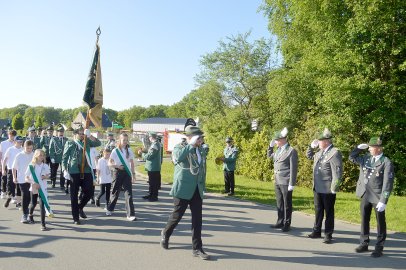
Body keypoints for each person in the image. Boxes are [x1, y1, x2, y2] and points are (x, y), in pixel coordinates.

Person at [161, 126, 210, 260]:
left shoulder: (200, 149)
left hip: (196, 189)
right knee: (177, 216)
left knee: (197, 220)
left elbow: (202, 169)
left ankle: (197, 248)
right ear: (191, 137)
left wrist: (202, 186)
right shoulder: (179, 147)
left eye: (201, 137)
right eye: (199, 137)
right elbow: (178, 158)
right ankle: (166, 233)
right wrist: (190, 145)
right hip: (182, 188)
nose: (201, 140)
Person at [349, 136, 395, 258]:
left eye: (371, 147)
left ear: (379, 148)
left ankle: (379, 247)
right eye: (369, 147)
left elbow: (388, 183)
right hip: (365, 193)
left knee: (380, 222)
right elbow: (352, 158)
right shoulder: (366, 158)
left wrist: (384, 200)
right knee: (364, 219)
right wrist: (358, 148)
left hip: (377, 196)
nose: (369, 149)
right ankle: (364, 243)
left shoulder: (386, 162)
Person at [306, 128, 343, 244]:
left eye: (320, 141)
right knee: (318, 210)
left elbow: (337, 172)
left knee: (329, 212)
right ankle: (316, 231)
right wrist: (311, 147)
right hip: (317, 187)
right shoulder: (319, 153)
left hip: (328, 188)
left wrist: (334, 188)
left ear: (326, 141)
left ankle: (328, 234)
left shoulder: (334, 152)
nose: (318, 142)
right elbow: (309, 156)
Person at [61, 127, 101, 225]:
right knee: (74, 195)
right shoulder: (70, 143)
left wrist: (90, 135)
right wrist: (64, 170)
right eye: (80, 133)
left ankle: (79, 207)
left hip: (86, 170)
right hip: (74, 170)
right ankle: (75, 217)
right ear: (75, 134)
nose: (82, 135)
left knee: (90, 191)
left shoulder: (87, 142)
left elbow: (98, 143)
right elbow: (65, 157)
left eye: (83, 133)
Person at [267, 127, 298, 232]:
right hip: (277, 179)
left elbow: (294, 168)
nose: (275, 142)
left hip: (286, 180)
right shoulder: (278, 150)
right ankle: (280, 221)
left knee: (287, 203)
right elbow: (269, 157)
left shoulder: (291, 151)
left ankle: (287, 223)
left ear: (283, 139)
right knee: (279, 202)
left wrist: (292, 183)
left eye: (276, 140)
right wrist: (270, 147)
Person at [106, 133, 136, 221]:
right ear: (120, 140)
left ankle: (130, 214)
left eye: (127, 140)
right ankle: (110, 208)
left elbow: (132, 163)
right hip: (118, 172)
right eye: (124, 140)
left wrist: (133, 174)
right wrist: (117, 166)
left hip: (127, 173)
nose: (125, 142)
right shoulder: (115, 151)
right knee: (115, 191)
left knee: (129, 193)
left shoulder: (129, 150)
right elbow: (109, 163)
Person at [26, 149, 51, 231]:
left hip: (43, 188)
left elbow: (48, 175)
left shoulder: (45, 166)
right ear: (36, 155)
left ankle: (43, 224)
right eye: (40, 155)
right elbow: (26, 178)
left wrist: (45, 177)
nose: (42, 157)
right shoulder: (31, 165)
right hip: (34, 187)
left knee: (42, 206)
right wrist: (33, 182)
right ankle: (30, 214)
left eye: (43, 155)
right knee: (33, 204)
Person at [12, 140, 34, 223]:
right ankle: (24, 214)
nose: (29, 150)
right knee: (25, 195)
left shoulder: (34, 155)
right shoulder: (19, 155)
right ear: (24, 147)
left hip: (32, 180)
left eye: (31, 148)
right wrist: (14, 177)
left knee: (29, 197)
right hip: (22, 179)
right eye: (28, 148)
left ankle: (28, 212)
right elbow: (14, 168)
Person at [139, 132, 162, 202]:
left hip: (153, 167)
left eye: (149, 137)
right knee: (151, 182)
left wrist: (141, 154)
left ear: (151, 137)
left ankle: (154, 196)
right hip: (153, 167)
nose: (149, 138)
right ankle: (151, 194)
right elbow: (150, 153)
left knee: (153, 183)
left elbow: (149, 156)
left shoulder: (155, 144)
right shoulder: (155, 144)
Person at [2, 136, 24, 208]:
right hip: (11, 170)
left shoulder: (23, 150)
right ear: (15, 142)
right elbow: (5, 160)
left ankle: (18, 202)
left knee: (19, 187)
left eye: (21, 142)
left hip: (20, 171)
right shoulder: (10, 149)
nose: (20, 143)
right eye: (18, 142)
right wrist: (3, 169)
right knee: (10, 185)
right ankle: (9, 197)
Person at [49, 125, 67, 189]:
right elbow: (51, 149)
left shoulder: (66, 139)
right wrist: (52, 157)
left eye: (62, 131)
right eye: (60, 131)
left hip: (63, 159)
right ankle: (53, 182)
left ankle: (62, 185)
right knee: (54, 171)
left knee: (63, 171)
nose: (61, 133)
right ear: (57, 132)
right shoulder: (54, 139)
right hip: (56, 158)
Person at [0, 129, 16, 199]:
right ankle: (3, 192)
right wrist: (1, 164)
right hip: (4, 163)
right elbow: (1, 154)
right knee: (4, 178)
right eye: (10, 135)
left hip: (12, 164)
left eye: (13, 136)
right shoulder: (3, 143)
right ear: (8, 135)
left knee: (11, 180)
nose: (12, 137)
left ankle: (11, 193)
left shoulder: (16, 143)